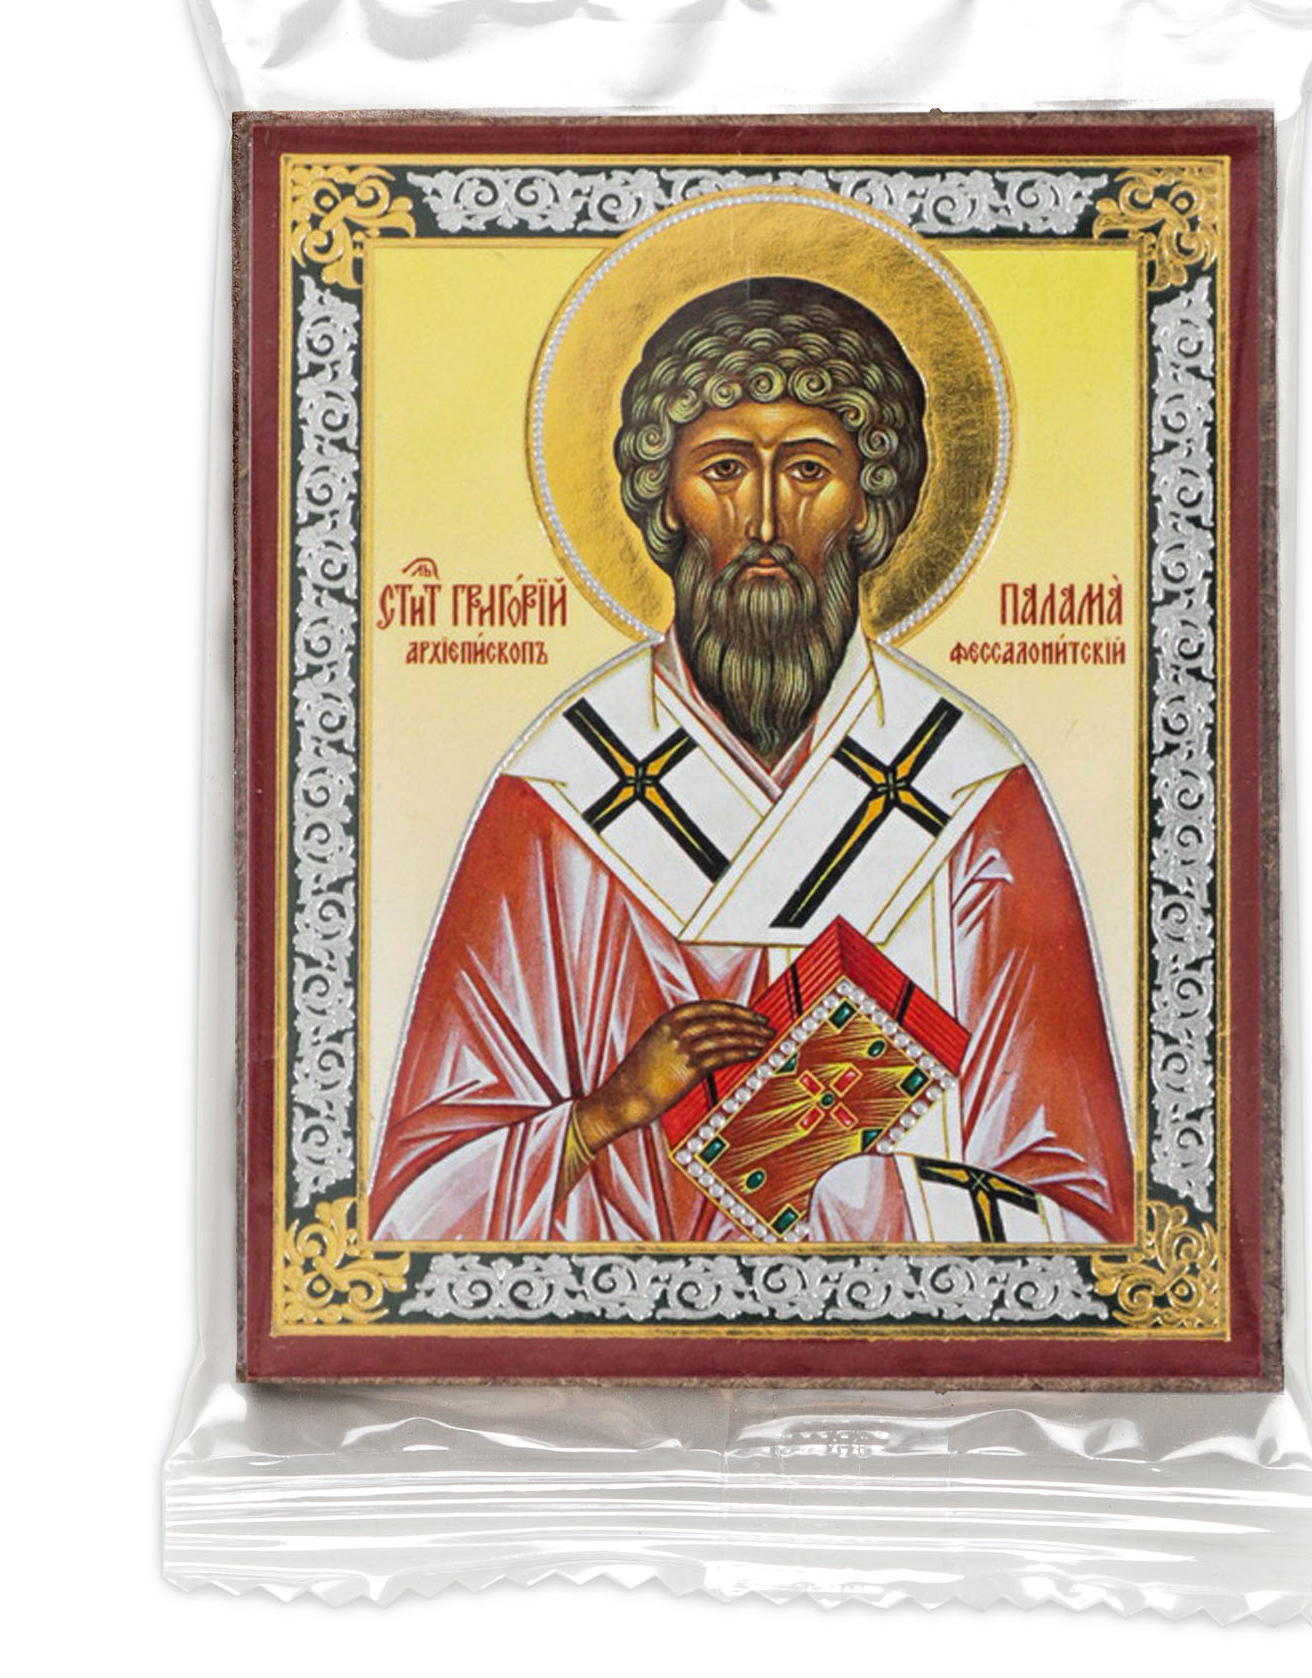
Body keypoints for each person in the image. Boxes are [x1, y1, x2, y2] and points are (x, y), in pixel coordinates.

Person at [370, 277, 1133, 1245]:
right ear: (667, 499)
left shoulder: (974, 796)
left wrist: (849, 1193)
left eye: (809, 469)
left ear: (869, 503)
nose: (765, 520)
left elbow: (1090, 1224)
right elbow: (409, 1215)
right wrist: (607, 1113)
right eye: (724, 469)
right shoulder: (558, 796)